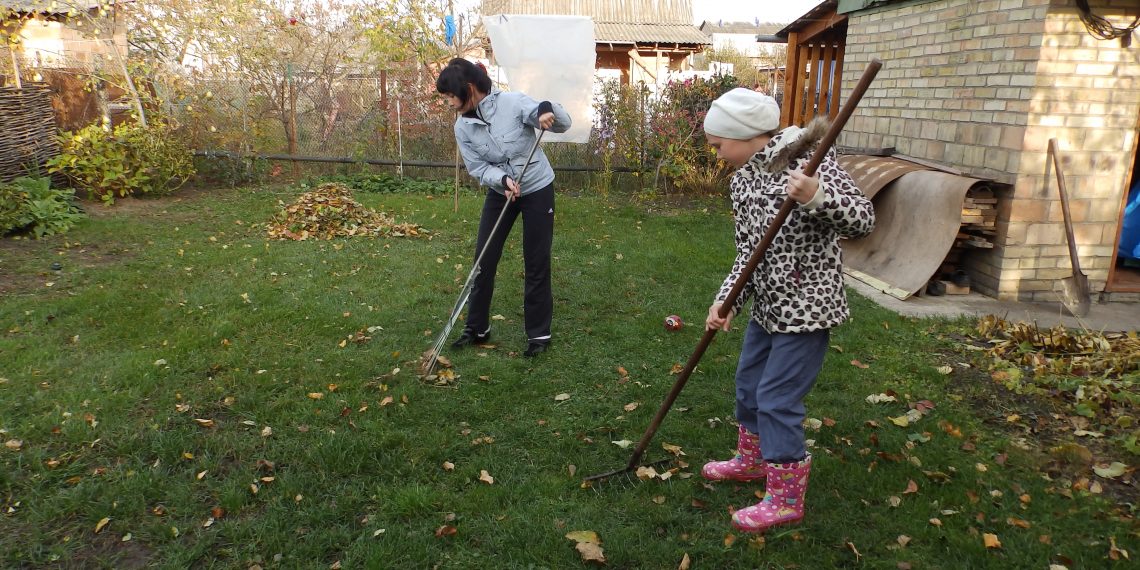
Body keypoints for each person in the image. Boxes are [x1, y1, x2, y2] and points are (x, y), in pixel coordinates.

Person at [698, 88, 875, 533]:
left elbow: (862, 220)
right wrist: (728, 299)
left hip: (809, 307)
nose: (716, 153)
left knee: (777, 398)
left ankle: (785, 497)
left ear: (745, 135)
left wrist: (818, 196)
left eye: (719, 144)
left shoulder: (809, 163)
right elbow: (747, 252)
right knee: (748, 385)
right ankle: (753, 460)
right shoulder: (743, 180)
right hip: (768, 306)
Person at [435, 58, 572, 357]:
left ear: (469, 88)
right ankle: (477, 328)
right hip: (502, 191)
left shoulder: (512, 103)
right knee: (484, 258)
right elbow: (477, 167)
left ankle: (538, 335)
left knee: (536, 261)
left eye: (449, 96)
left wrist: (546, 109)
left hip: (537, 188)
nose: (448, 103)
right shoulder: (463, 126)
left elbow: (561, 123)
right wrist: (503, 179)